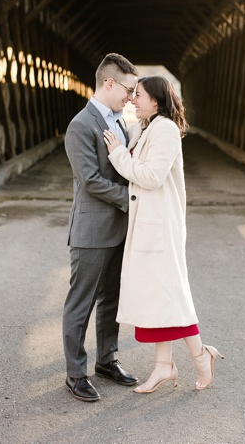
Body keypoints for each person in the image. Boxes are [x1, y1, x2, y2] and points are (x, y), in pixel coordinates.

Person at [102, 75, 223, 394]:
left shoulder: (166, 130)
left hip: (160, 226)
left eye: (138, 95)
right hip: (148, 224)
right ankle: (163, 366)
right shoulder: (145, 127)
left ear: (155, 100)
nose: (133, 100)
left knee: (170, 293)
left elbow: (153, 177)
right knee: (157, 296)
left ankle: (200, 355)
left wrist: (119, 156)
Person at [63, 52, 140, 402]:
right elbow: (91, 180)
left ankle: (106, 359)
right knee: (82, 303)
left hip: (120, 229)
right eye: (127, 88)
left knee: (112, 299)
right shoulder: (81, 125)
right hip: (92, 232)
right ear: (108, 82)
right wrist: (132, 198)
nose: (130, 96)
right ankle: (75, 373)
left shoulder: (120, 122)